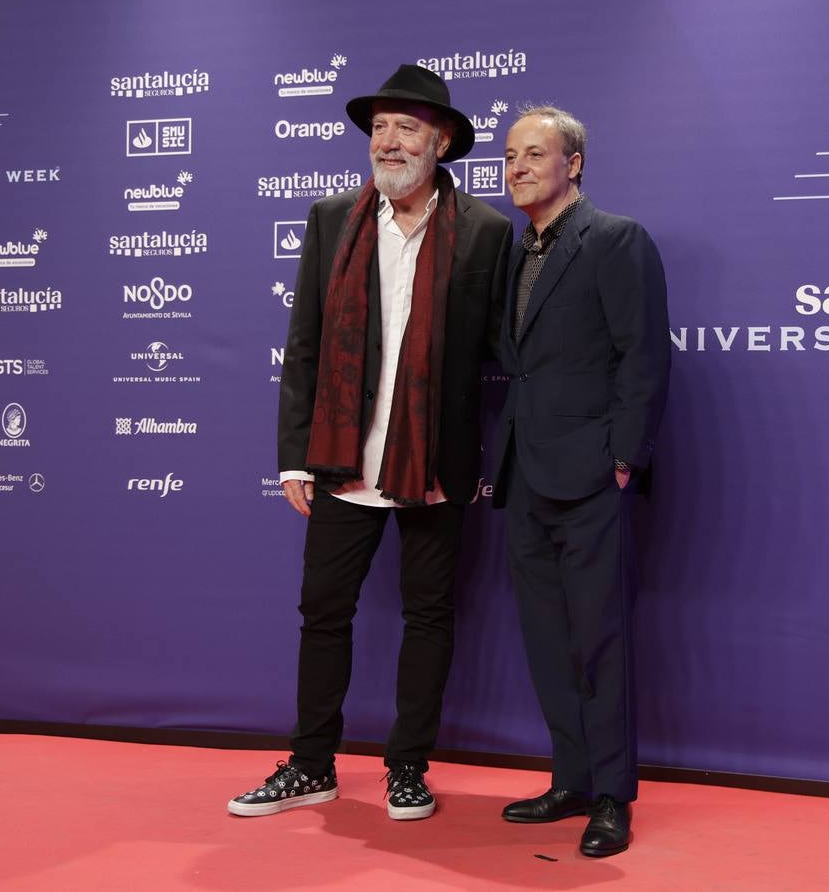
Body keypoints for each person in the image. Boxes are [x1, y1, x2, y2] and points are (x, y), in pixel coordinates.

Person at [228, 65, 511, 821]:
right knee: (323, 612)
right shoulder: (331, 220)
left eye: (405, 128)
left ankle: (408, 767)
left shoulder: (485, 231)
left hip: (435, 464)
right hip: (343, 459)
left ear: (440, 141)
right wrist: (294, 453)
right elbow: (305, 346)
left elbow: (500, 348)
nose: (387, 141)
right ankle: (311, 764)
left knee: (428, 616)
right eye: (379, 128)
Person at [492, 106, 671, 857]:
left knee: (597, 639)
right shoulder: (511, 251)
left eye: (536, 153)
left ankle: (611, 796)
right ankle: (569, 778)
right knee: (546, 639)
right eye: (509, 155)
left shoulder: (615, 239)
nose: (518, 166)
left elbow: (642, 355)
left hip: (591, 473)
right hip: (523, 476)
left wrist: (622, 456)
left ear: (575, 164)